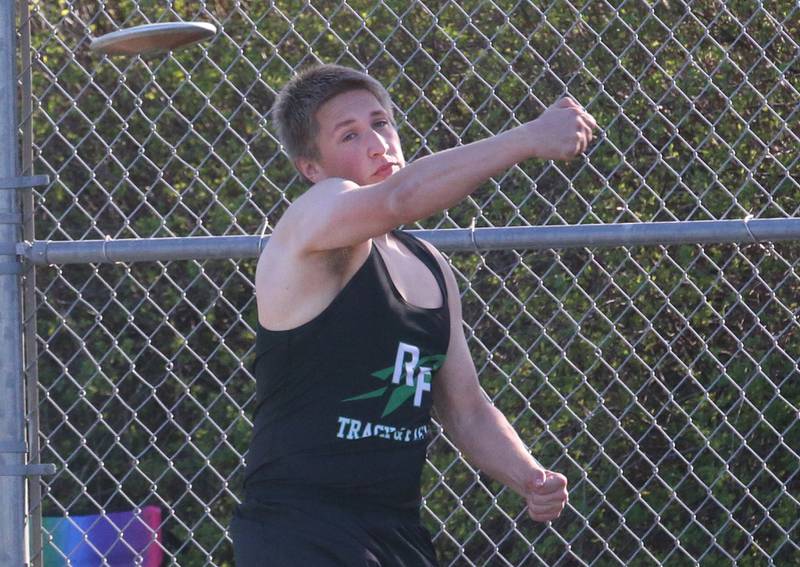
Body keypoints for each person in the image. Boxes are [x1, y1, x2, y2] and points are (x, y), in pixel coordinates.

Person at [230, 64, 597, 566]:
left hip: (396, 532)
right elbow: (400, 198)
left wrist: (528, 476)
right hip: (300, 528)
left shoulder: (430, 266)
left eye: (381, 123)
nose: (378, 143)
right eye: (350, 134)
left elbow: (465, 408)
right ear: (311, 168)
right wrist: (528, 137)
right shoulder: (312, 217)